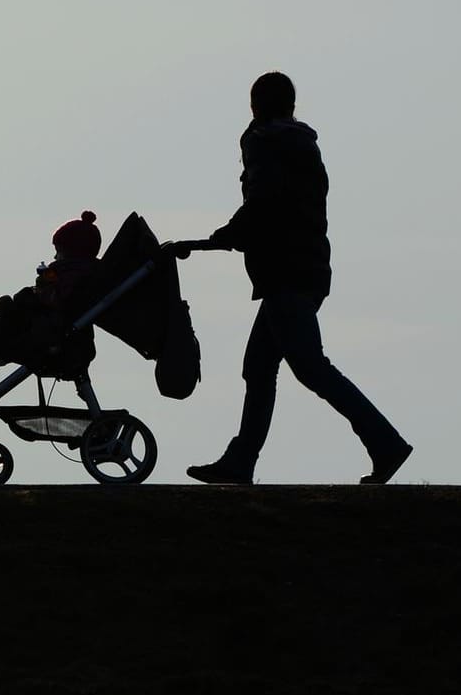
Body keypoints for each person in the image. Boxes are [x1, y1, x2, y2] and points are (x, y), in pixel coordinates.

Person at [172, 71, 411, 485]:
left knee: (310, 367)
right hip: (306, 267)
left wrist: (227, 235)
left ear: (255, 105)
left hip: (287, 273)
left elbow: (266, 201)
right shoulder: (301, 144)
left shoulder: (266, 141)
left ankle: (385, 443)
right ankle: (240, 460)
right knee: (260, 368)